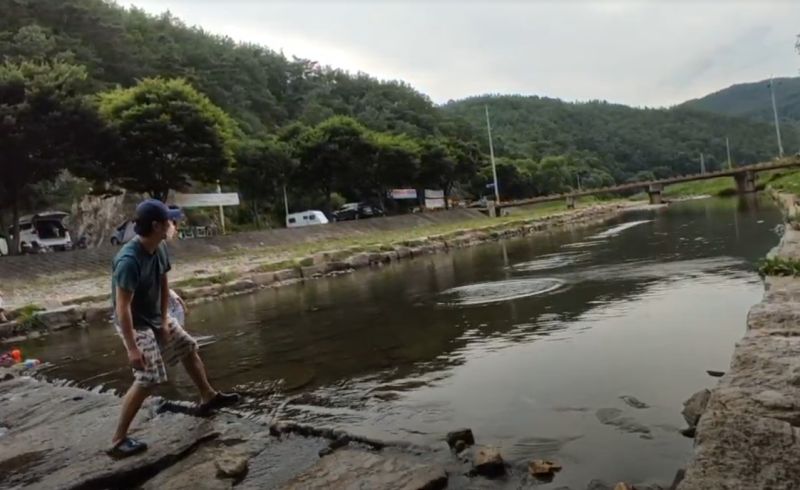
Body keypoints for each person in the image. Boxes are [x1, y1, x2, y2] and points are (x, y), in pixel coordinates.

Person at [108, 199, 239, 458]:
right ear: (156, 226)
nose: (173, 225)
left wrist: (165, 317)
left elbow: (163, 281)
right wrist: (133, 348)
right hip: (134, 323)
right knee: (149, 377)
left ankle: (208, 397)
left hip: (155, 314)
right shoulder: (128, 261)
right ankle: (117, 439)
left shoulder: (160, 248)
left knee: (187, 346)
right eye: (169, 221)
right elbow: (122, 308)